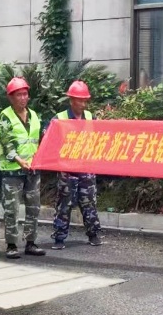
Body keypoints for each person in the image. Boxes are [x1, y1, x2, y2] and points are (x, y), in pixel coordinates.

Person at [0, 77, 47, 260]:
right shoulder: (5, 117)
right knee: (12, 209)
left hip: (32, 170)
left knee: (34, 207)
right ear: (11, 97)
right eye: (18, 95)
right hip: (12, 171)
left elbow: (40, 140)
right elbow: (6, 143)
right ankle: (11, 245)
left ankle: (31, 242)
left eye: (25, 94)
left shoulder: (34, 115)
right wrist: (19, 160)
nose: (23, 98)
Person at [51, 80, 102, 249]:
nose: (83, 104)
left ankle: (93, 234)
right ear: (71, 100)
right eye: (79, 100)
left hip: (86, 168)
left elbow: (100, 139)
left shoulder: (91, 117)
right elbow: (50, 141)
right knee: (64, 204)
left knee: (89, 202)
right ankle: (59, 237)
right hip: (67, 169)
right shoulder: (59, 118)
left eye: (85, 100)